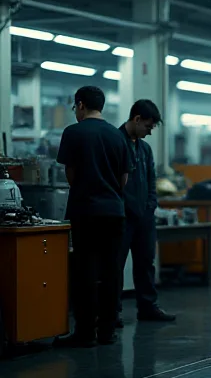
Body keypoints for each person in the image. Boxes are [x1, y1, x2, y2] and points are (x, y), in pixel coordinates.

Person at [54, 86, 133, 347]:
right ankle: (107, 332)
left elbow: (71, 174)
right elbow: (124, 179)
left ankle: (85, 333)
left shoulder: (73, 133)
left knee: (85, 271)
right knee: (111, 271)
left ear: (80, 105)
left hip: (85, 211)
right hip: (114, 212)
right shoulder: (117, 135)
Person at [117, 100, 176, 325]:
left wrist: (151, 205)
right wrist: (126, 208)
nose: (150, 132)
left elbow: (151, 181)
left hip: (144, 217)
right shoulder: (116, 142)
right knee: (116, 265)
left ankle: (147, 306)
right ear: (137, 119)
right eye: (148, 127)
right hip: (122, 217)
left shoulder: (145, 148)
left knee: (146, 263)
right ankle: (113, 312)